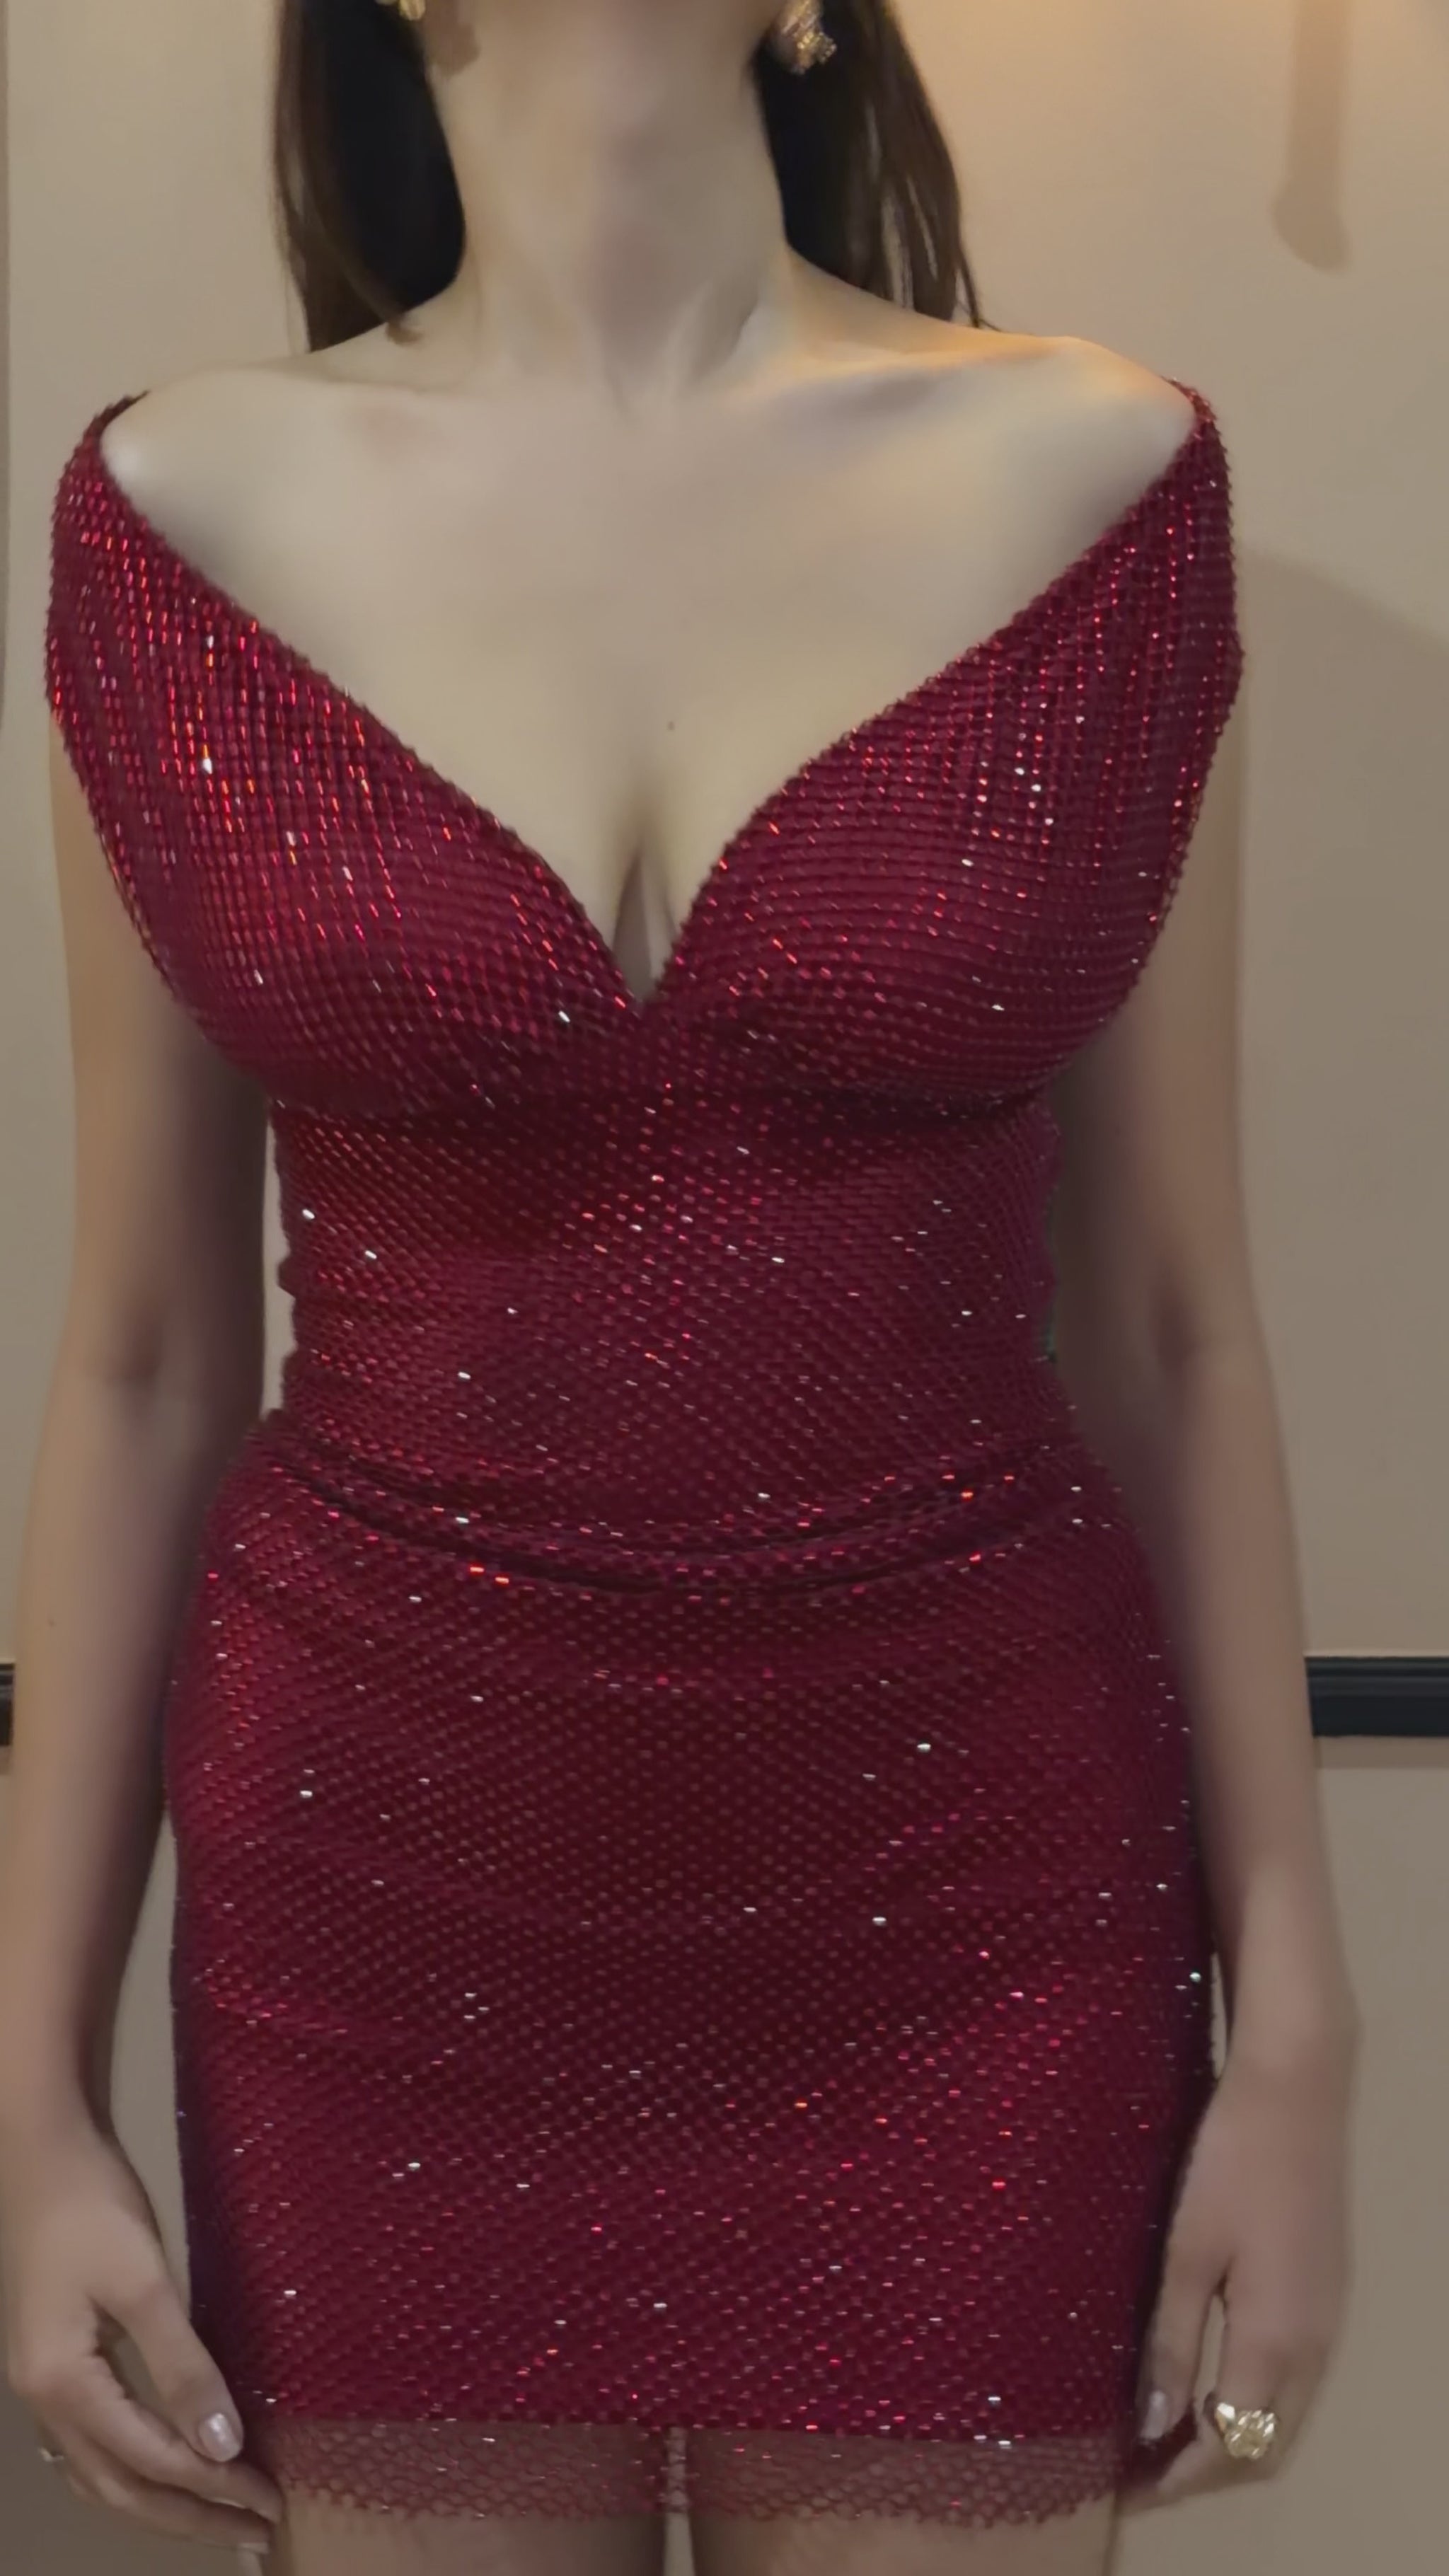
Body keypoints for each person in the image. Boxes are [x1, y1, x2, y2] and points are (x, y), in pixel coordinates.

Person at [0, 4, 1359, 2572]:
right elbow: (147, 1355)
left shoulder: (1099, 485)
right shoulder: (177, 513)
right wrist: (24, 2091)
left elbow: (1180, 1329)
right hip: (378, 1896)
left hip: (978, 1892)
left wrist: (1297, 2024)